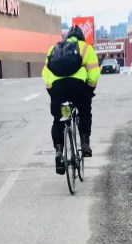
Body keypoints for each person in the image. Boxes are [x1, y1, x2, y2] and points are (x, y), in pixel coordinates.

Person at [42, 25, 100, 174]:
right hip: (77, 88)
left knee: (59, 120)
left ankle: (59, 150)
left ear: (67, 37)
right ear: (81, 37)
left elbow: (46, 73)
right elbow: (93, 73)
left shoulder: (54, 48)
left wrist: (52, 91)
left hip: (58, 89)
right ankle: (85, 143)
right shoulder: (86, 48)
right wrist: (90, 89)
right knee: (85, 112)